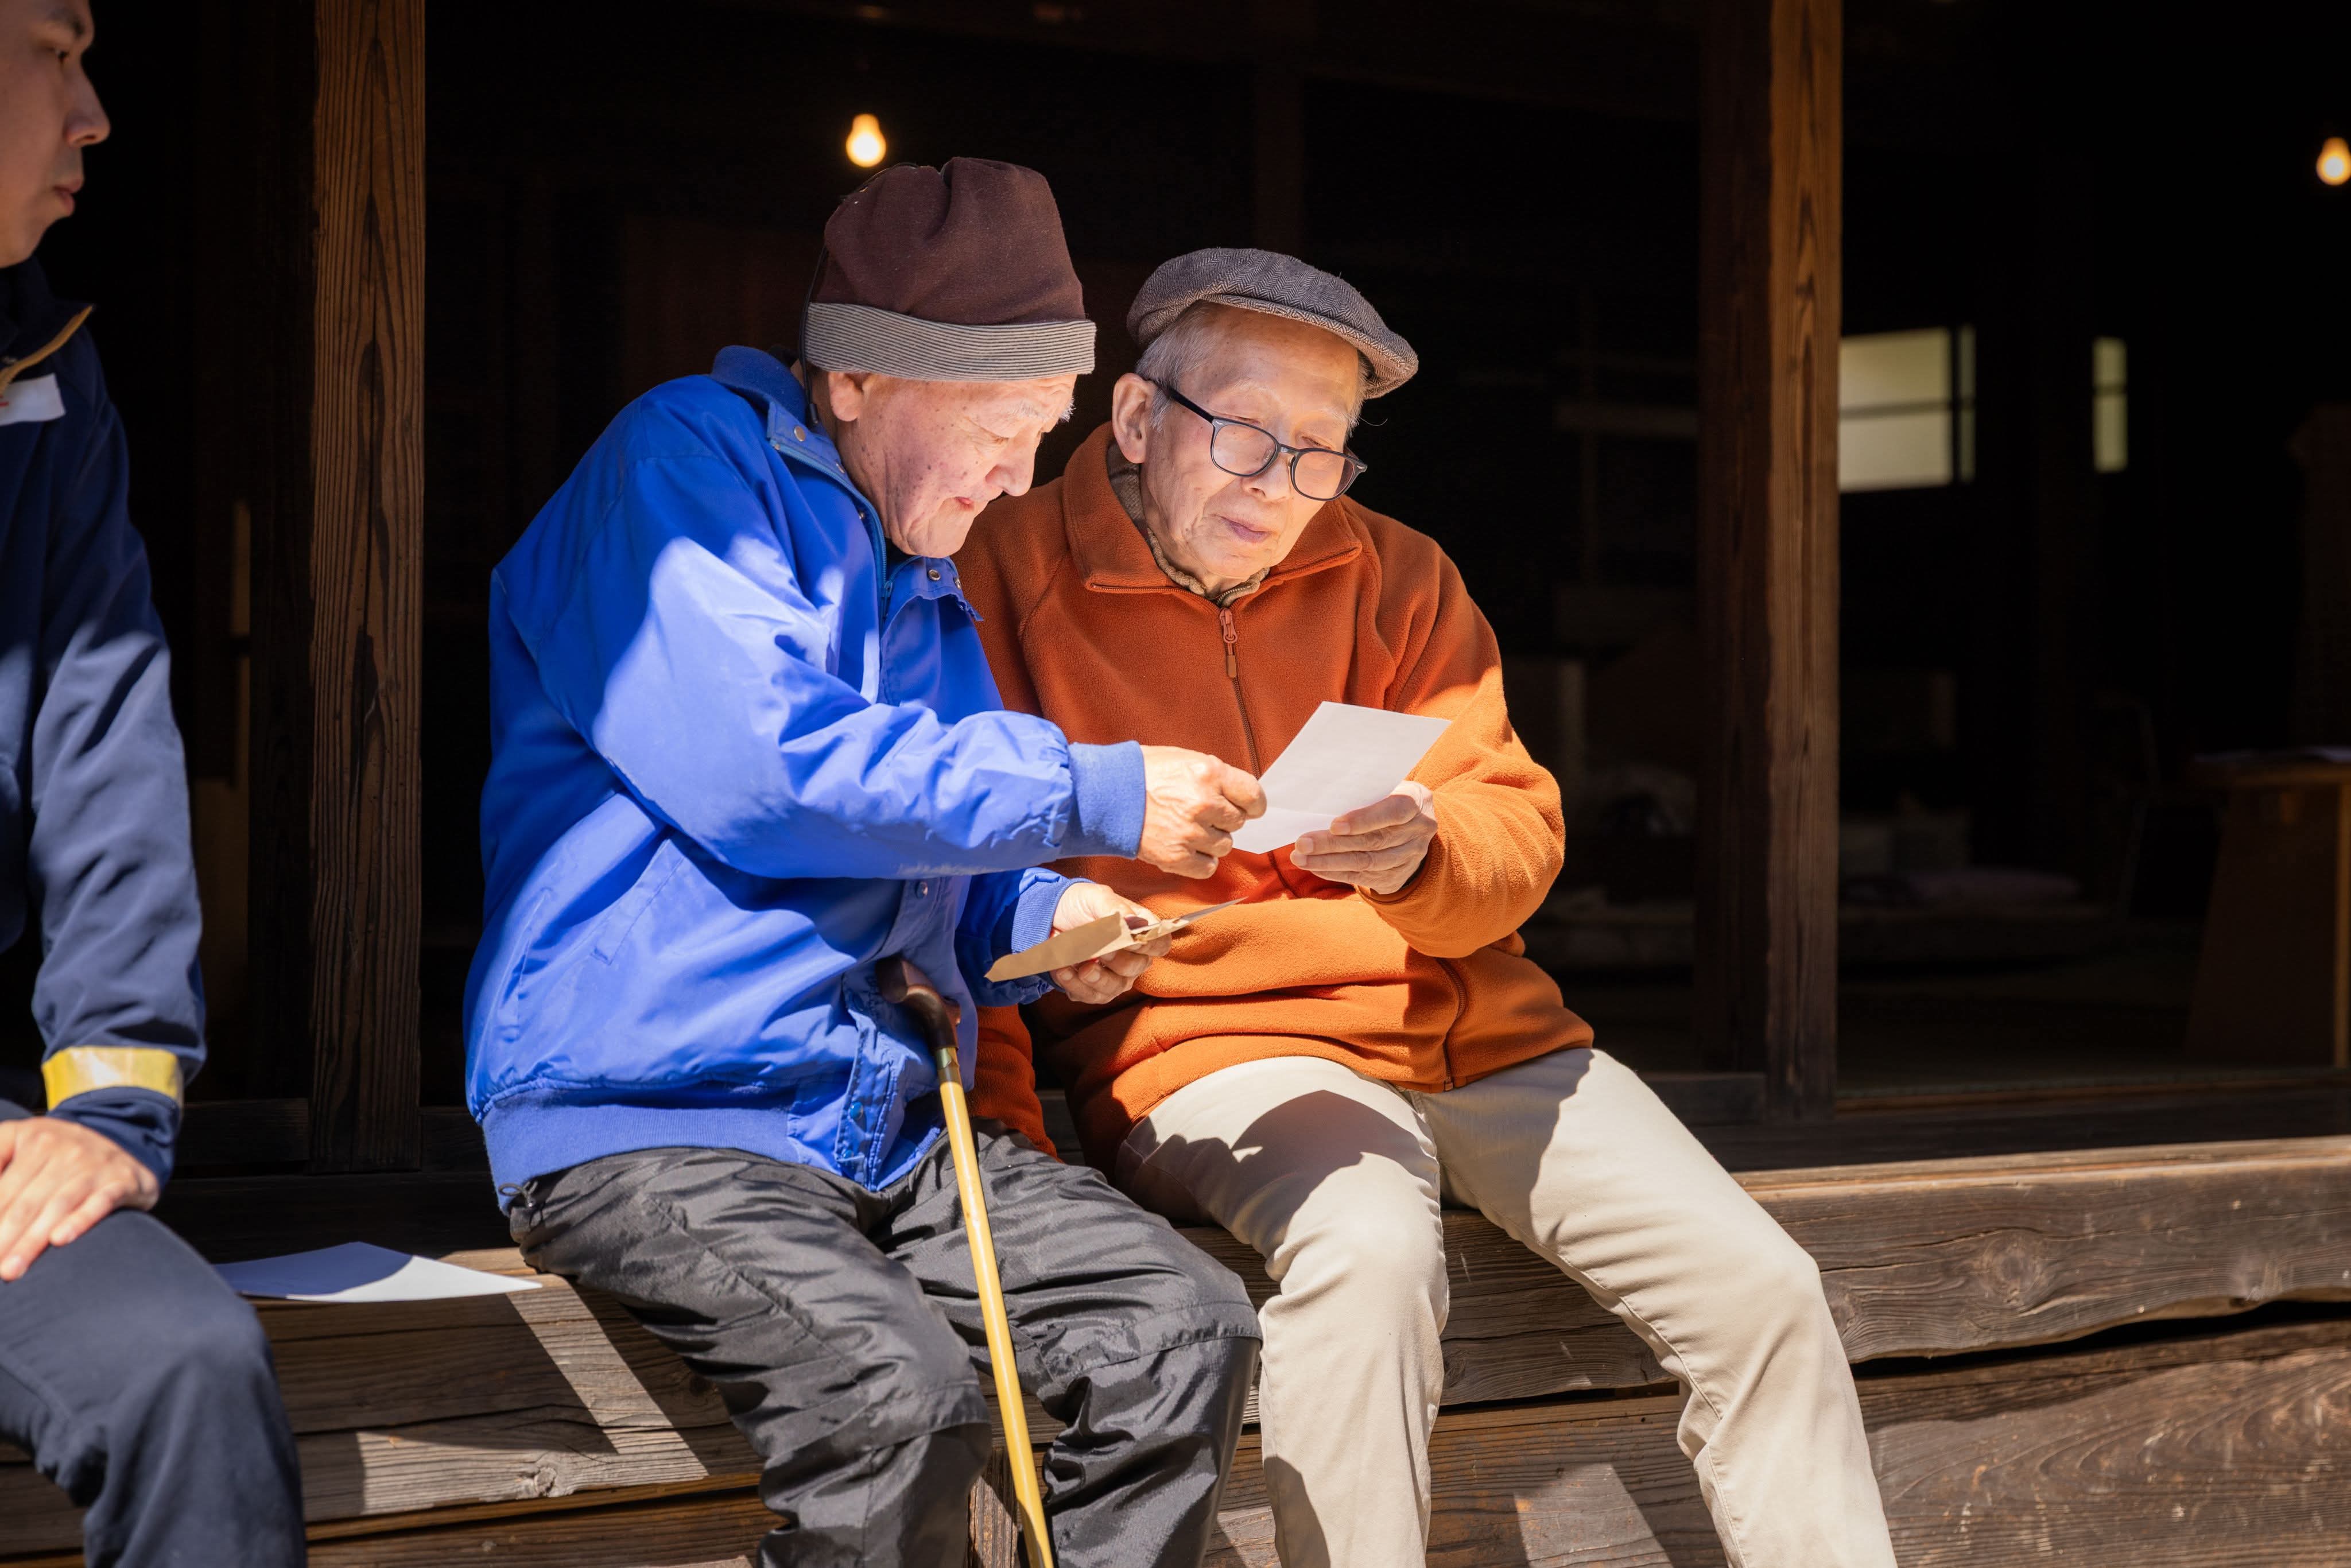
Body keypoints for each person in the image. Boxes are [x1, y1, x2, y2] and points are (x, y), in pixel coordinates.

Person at [956, 247, 1901, 1568]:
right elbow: (945, 876)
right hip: (1214, 1043)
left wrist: (1425, 851)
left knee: (1764, 1286)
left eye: (1320, 451)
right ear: (1131, 416)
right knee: (1370, 1249)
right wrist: (1007, 1144)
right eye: (1241, 435)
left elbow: (1517, 831)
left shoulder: (1397, 573)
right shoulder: (998, 572)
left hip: (1470, 1027)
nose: (1280, 488)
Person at [467, 161, 1266, 1567]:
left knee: (1181, 1324)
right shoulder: (679, 466)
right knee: (898, 1407)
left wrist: (1047, 913)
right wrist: (1094, 790)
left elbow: (931, 862)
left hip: (877, 1122)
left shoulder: (923, 572)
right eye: (999, 429)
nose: (1018, 478)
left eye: (1042, 432)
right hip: (656, 1111)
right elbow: (762, 771)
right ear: (858, 383)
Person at [0, 3, 307, 1565]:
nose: (98, 110)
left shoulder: (46, 374)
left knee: (187, 1362)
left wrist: (112, 1105)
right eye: (56, 49)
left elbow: (104, 736)